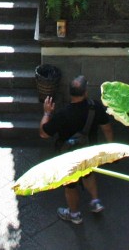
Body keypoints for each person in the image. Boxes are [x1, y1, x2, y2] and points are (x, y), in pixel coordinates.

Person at [39, 75, 114, 225]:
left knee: (70, 186)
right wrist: (111, 149)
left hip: (69, 156)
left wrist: (47, 113)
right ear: (85, 92)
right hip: (89, 151)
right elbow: (107, 128)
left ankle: (74, 214)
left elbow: (44, 134)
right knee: (88, 174)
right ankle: (95, 202)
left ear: (70, 93)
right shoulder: (95, 107)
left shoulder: (62, 114)